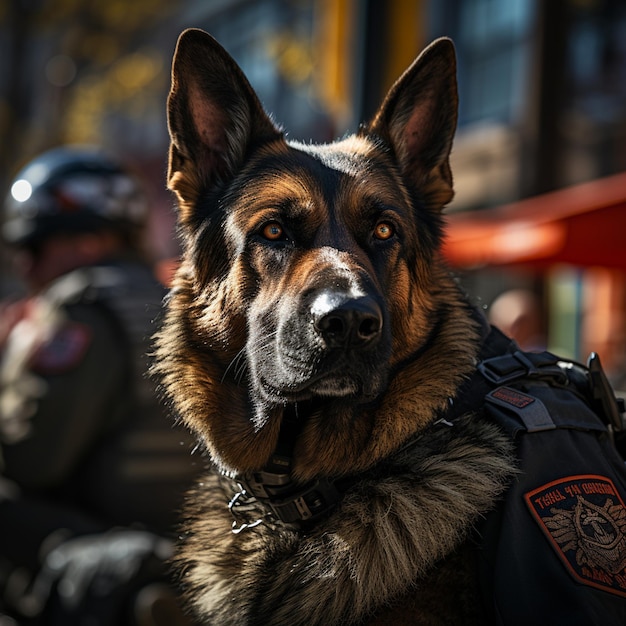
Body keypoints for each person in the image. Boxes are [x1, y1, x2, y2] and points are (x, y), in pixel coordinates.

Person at [0, 147, 198, 626]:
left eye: (32, 247)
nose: (23, 268)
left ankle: (120, 588)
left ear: (83, 243)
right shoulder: (180, 302)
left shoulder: (79, 308)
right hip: (195, 536)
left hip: (110, 538)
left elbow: (32, 459)